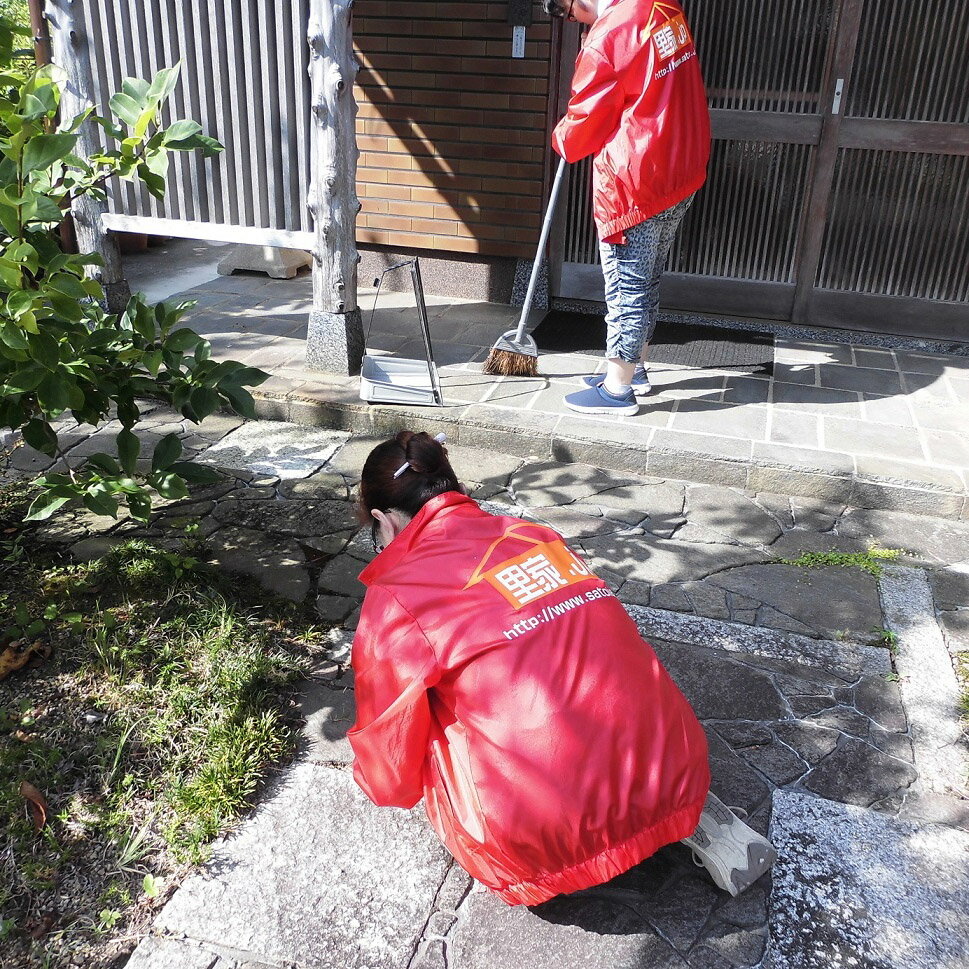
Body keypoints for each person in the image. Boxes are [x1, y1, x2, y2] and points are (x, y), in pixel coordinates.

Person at [348, 430, 776, 905]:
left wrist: (383, 783)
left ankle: (597, 810)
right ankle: (663, 804)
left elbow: (388, 746)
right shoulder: (536, 535)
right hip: (672, 760)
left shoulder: (396, 594)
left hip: (540, 840)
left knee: (426, 708)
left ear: (384, 520)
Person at [544, 0, 711, 417]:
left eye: (564, 12)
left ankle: (617, 389)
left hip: (636, 179)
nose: (570, 20)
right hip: (680, 166)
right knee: (647, 278)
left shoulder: (609, 36)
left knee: (626, 286)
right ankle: (635, 369)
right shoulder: (662, 7)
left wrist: (561, 136)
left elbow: (582, 126)